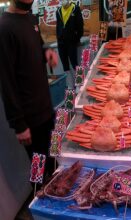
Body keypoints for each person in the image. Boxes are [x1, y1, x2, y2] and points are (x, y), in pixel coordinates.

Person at [0, 0, 58, 177]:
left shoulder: (31, 19)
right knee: (38, 171)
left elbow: (37, 45)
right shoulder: (4, 27)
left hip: (47, 109)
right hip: (30, 119)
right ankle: (37, 199)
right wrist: (19, 124)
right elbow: (6, 80)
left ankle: (53, 195)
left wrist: (46, 51)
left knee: (54, 162)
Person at [56, 0, 83, 89]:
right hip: (61, 43)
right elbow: (58, 26)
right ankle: (70, 85)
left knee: (75, 64)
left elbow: (80, 26)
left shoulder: (75, 9)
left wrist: (76, 38)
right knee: (65, 65)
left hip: (72, 42)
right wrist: (59, 37)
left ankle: (79, 85)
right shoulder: (58, 11)